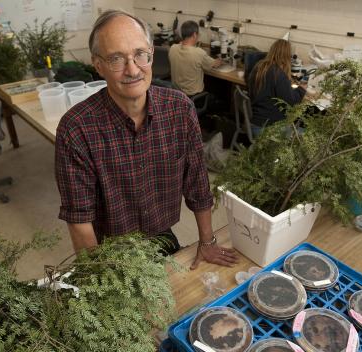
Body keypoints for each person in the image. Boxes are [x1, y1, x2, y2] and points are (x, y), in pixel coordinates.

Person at [55, 10, 238, 269]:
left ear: (151, 53)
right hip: (109, 249)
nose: (133, 70)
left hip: (161, 235)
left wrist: (207, 241)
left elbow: (197, 182)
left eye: (140, 54)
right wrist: (98, 277)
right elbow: (79, 218)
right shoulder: (77, 129)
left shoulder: (179, 109)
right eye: (117, 58)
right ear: (98, 65)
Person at [247, 39, 306, 134]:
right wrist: (301, 89)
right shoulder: (278, 74)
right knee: (305, 131)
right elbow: (292, 102)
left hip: (254, 122)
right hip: (267, 128)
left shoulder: (258, 67)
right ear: (287, 56)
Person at [168, 20, 222, 96]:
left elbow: (181, 46)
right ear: (194, 35)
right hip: (193, 97)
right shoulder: (199, 53)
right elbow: (215, 64)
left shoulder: (172, 48)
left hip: (177, 94)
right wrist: (221, 58)